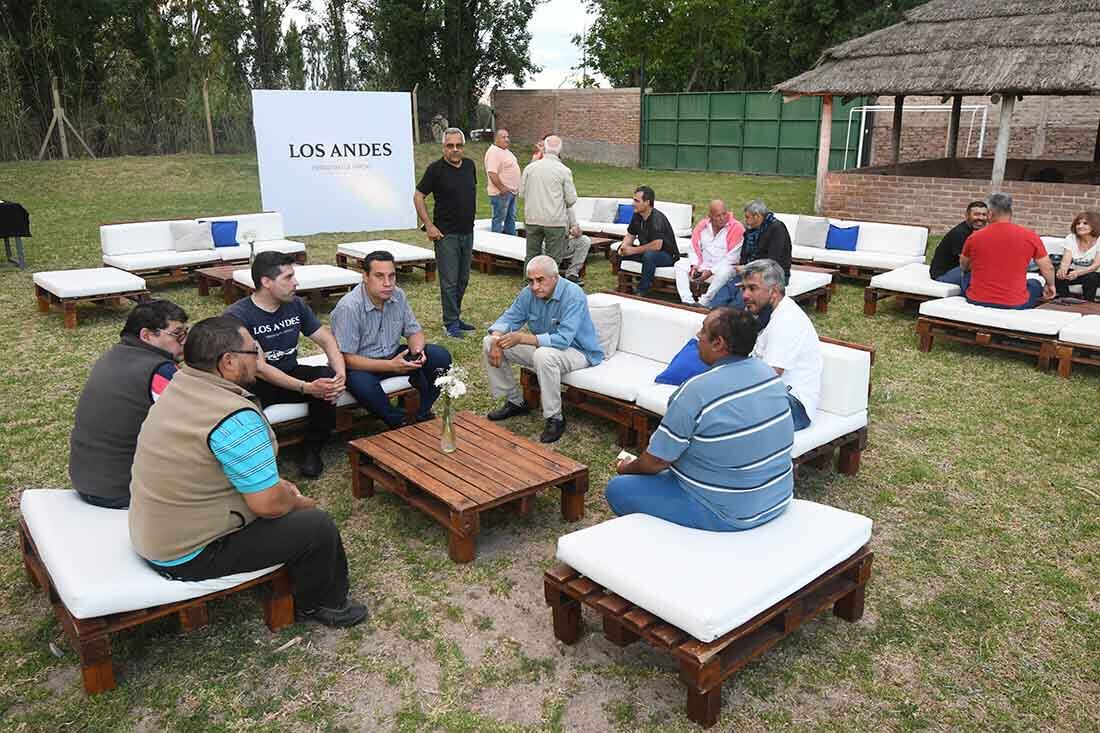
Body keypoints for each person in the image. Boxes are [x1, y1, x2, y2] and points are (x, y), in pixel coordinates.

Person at [129, 316, 367, 628]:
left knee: (283, 498)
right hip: (187, 554)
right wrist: (298, 502)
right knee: (315, 526)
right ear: (228, 362)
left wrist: (277, 487)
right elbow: (268, 505)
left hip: (155, 532)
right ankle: (323, 604)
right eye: (253, 352)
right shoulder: (234, 417)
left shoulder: (180, 386)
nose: (259, 359)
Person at [605, 307, 793, 531]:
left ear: (718, 343)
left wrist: (626, 468)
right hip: (777, 498)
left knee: (619, 488)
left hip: (728, 513)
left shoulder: (696, 391)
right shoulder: (768, 375)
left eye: (703, 331)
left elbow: (655, 462)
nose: (698, 336)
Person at [225, 252, 345, 478]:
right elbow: (259, 367)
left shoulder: (295, 305)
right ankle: (257, 462)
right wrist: (306, 388)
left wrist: (340, 374)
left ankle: (312, 449)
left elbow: (325, 338)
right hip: (255, 384)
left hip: (289, 372)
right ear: (266, 282)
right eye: (288, 277)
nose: (296, 282)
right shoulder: (238, 316)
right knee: (246, 409)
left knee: (326, 378)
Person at [68, 300, 189, 509]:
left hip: (87, 479)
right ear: (147, 335)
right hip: (121, 489)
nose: (184, 341)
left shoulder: (115, 354)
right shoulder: (160, 371)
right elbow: (193, 421)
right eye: (177, 334)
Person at [481, 255, 603, 443]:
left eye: (540, 280)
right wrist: (496, 340)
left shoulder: (574, 294)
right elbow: (508, 319)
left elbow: (563, 340)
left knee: (544, 355)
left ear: (555, 277)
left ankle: (555, 418)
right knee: (489, 341)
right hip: (545, 349)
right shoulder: (528, 293)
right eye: (531, 281)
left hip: (579, 351)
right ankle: (515, 401)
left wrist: (521, 337)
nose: (535, 286)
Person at [330, 250, 452, 428]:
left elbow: (413, 331)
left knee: (440, 356)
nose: (387, 283)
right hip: (361, 365)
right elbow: (346, 358)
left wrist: (417, 353)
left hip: (392, 355)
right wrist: (391, 365)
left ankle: (423, 411)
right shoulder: (349, 307)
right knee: (361, 383)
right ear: (365, 276)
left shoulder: (398, 295)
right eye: (379, 276)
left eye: (391, 276)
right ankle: (397, 421)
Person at [739, 259, 821, 431]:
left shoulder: (787, 320)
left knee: (720, 410)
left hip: (793, 404)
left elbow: (768, 377)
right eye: (743, 288)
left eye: (753, 288)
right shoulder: (766, 315)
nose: (745, 295)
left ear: (774, 291)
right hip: (772, 396)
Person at [414, 127, 477, 338]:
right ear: (444, 147)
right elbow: (418, 196)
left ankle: (456, 316)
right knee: (449, 281)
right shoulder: (435, 170)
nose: (455, 149)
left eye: (459, 145)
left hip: (468, 232)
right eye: (450, 146)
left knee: (463, 279)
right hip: (446, 235)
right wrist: (429, 225)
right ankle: (450, 323)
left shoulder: (470, 166)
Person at [961, 192, 1055, 309]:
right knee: (1034, 284)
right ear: (1011, 213)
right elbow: (1048, 268)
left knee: (967, 276)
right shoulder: (1030, 236)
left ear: (990, 213)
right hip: (1015, 303)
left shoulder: (974, 237)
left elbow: (964, 266)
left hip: (976, 300)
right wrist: (1051, 285)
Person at [708, 199, 793, 310]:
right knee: (730, 286)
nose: (746, 220)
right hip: (750, 271)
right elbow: (744, 255)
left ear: (757, 216)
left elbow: (772, 261)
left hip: (772, 274)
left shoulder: (777, 229)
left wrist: (748, 268)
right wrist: (743, 268)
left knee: (745, 292)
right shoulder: (751, 230)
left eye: (748, 217)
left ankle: (730, 315)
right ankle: (711, 308)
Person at [520, 134, 578, 267]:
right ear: (560, 150)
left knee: (531, 256)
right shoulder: (564, 171)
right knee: (553, 260)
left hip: (532, 218)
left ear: (544, 148)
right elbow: (571, 199)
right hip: (554, 221)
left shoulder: (530, 168)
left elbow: (522, 193)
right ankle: (550, 286)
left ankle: (528, 284)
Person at [674, 199, 745, 306]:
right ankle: (687, 301)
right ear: (710, 216)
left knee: (724, 272)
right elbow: (693, 247)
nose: (722, 218)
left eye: (724, 214)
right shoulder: (702, 226)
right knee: (679, 264)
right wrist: (695, 266)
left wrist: (710, 271)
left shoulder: (737, 228)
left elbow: (732, 258)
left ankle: (704, 302)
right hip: (703, 264)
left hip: (723, 266)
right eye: (718, 216)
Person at [616, 185, 681, 297]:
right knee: (620, 251)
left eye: (636, 201)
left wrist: (633, 250)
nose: (633, 203)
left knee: (649, 256)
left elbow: (657, 245)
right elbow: (630, 235)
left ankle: (643, 290)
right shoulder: (637, 215)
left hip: (667, 255)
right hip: (647, 251)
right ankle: (625, 285)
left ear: (647, 202)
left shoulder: (657, 219)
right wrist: (624, 248)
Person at [929, 201, 988, 285]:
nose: (981, 218)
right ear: (967, 215)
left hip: (958, 269)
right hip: (943, 275)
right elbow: (966, 264)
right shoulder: (960, 233)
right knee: (981, 273)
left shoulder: (976, 231)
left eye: (984, 215)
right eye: (977, 214)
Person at [1055, 211, 1100, 300]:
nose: (1080, 226)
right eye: (1078, 223)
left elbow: (1095, 265)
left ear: (1095, 225)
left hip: (1096, 275)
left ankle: (1087, 304)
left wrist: (1078, 273)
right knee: (1057, 273)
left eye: (1085, 223)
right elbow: (1066, 261)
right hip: (1076, 273)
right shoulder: (1071, 238)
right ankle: (1065, 299)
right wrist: (1062, 271)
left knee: (1091, 278)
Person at [484, 128, 520, 236]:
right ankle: (497, 243)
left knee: (511, 218)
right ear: (496, 139)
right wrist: (502, 188)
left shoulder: (505, 151)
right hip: (501, 193)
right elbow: (492, 173)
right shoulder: (494, 152)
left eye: (507, 137)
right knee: (499, 219)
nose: (507, 139)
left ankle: (511, 242)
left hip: (511, 192)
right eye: (503, 137)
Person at [563, 205, 592, 286]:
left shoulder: (568, 209)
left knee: (584, 240)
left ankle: (572, 273)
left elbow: (576, 228)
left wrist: (576, 231)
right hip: (548, 244)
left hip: (565, 242)